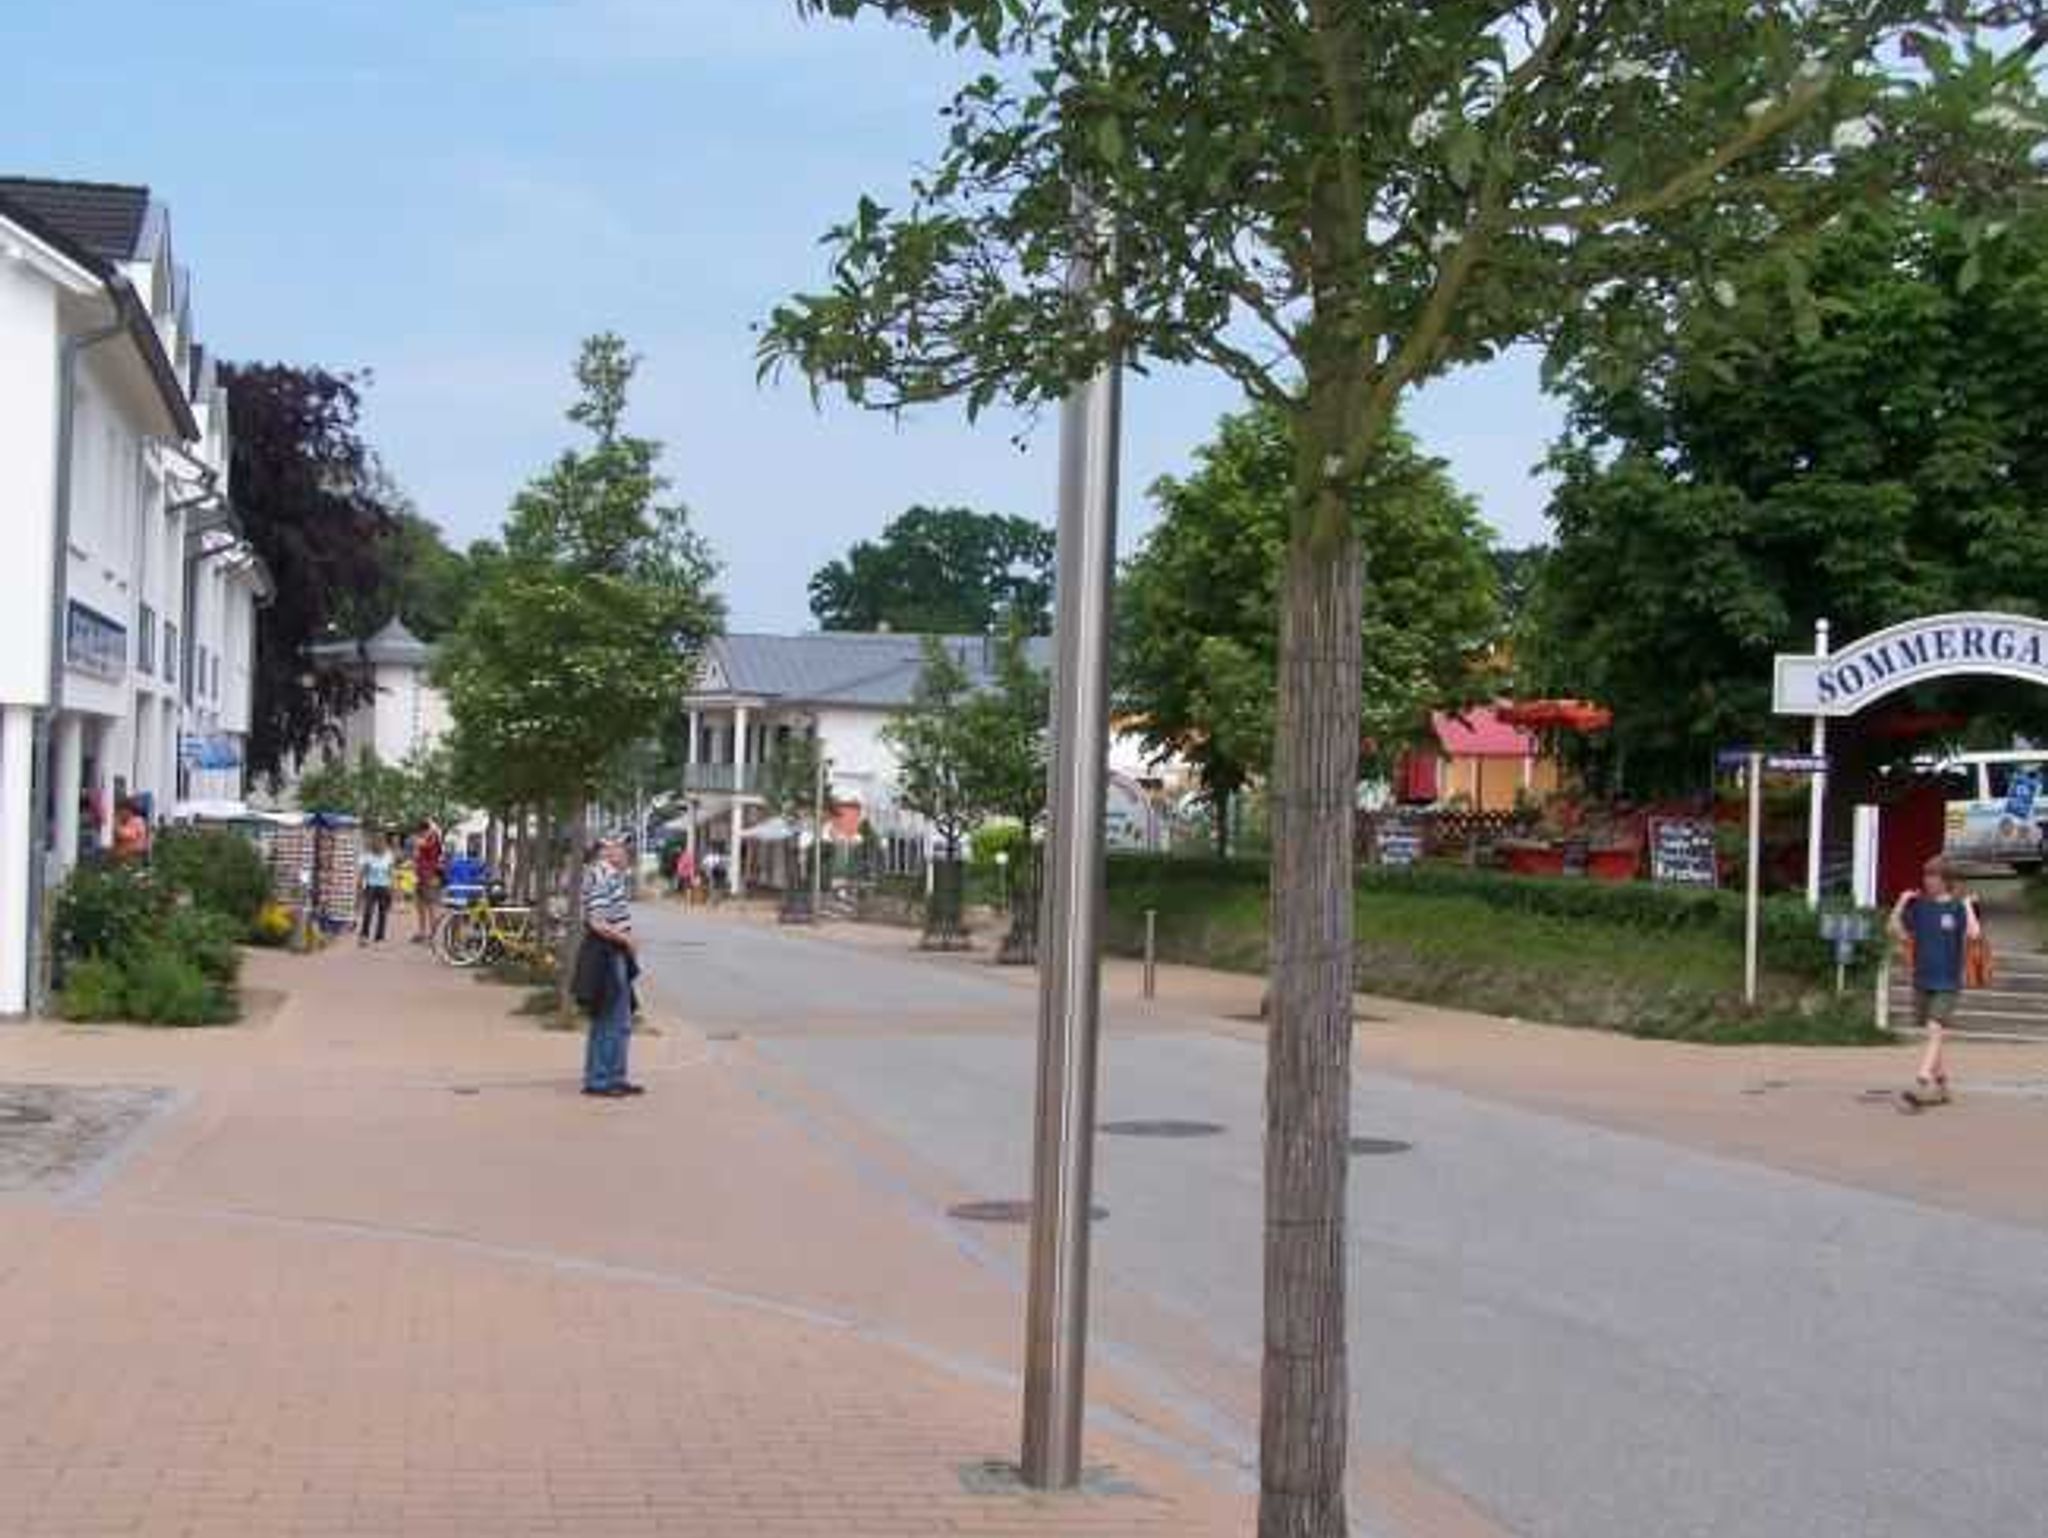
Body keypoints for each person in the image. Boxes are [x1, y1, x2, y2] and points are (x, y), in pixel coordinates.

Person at [1889, 856, 1982, 1111]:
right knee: (1934, 1034)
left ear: (1946, 880)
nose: (1928, 880)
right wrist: (1901, 902)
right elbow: (1895, 930)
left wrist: (1967, 907)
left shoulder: (1956, 908)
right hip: (1922, 980)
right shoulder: (1919, 906)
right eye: (1926, 875)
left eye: (1933, 876)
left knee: (1934, 1028)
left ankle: (1921, 1082)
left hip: (1947, 982)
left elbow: (1974, 934)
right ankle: (1942, 1088)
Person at [573, 837, 642, 1099]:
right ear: (610, 851)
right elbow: (597, 922)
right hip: (606, 952)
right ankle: (600, 1080)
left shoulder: (610, 875)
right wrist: (627, 939)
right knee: (610, 1019)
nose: (629, 855)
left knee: (621, 1019)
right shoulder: (603, 875)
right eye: (625, 849)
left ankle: (614, 1076)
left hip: (614, 952)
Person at [410, 818, 445, 945]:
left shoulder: (433, 839)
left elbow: (428, 848)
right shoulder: (426, 839)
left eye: (421, 832)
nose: (420, 835)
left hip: (430, 877)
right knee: (420, 906)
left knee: (431, 907)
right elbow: (417, 855)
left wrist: (421, 842)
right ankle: (422, 933)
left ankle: (433, 935)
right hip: (420, 876)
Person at [357, 837, 395, 946]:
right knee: (368, 911)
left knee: (383, 913)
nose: (379, 846)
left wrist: (393, 887)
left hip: (384, 887)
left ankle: (380, 936)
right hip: (371, 887)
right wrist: (359, 884)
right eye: (377, 844)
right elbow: (363, 871)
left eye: (381, 844)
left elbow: (390, 871)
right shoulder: (368, 856)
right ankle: (364, 935)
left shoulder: (389, 855)